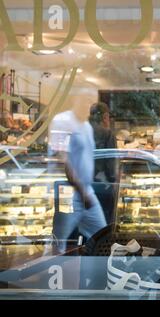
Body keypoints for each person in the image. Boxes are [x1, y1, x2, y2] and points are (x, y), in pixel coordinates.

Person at [49, 99, 107, 252]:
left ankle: (102, 271)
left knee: (104, 236)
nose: (89, 106)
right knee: (59, 241)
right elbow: (64, 159)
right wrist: (83, 193)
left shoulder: (86, 126)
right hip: (67, 192)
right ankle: (49, 271)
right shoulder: (63, 122)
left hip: (85, 190)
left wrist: (85, 192)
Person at [89, 102, 118, 224]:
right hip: (101, 185)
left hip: (82, 184)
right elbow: (111, 164)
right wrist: (114, 182)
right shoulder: (107, 133)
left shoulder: (81, 130)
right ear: (105, 116)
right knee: (104, 223)